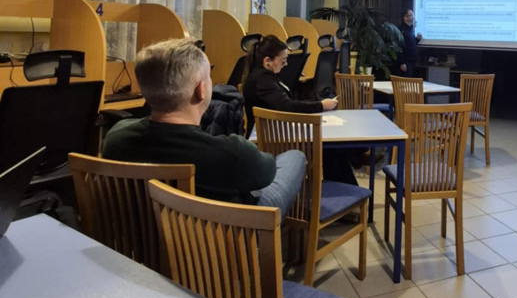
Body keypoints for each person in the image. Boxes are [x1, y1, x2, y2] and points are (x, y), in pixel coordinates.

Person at [103, 38, 306, 219]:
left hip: (147, 237)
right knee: (294, 157)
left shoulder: (115, 138)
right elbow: (267, 171)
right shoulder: (234, 152)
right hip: (227, 237)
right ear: (201, 90)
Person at [241, 34, 361, 186]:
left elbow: (286, 103)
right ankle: (346, 188)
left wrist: (317, 104)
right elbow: (288, 106)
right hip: (271, 140)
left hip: (274, 133)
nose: (285, 64)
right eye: (283, 61)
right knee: (330, 148)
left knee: (331, 148)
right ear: (267, 61)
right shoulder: (263, 80)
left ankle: (344, 186)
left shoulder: (263, 76)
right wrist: (321, 105)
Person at [397, 9, 422, 77]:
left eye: (411, 15)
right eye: (407, 16)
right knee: (407, 81)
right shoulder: (401, 30)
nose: (410, 17)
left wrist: (417, 39)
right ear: (403, 18)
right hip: (406, 62)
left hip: (413, 61)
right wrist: (402, 63)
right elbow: (398, 47)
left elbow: (409, 43)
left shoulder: (410, 29)